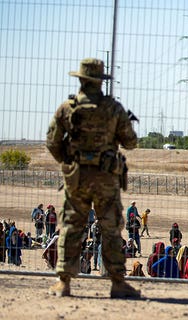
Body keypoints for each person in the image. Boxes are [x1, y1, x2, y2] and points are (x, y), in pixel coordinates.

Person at [46, 58, 140, 298]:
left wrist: (69, 162)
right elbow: (130, 142)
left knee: (71, 226)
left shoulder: (68, 108)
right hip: (106, 178)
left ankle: (64, 282)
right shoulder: (114, 108)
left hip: (77, 177)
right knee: (110, 228)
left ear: (80, 79)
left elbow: (52, 142)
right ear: (101, 81)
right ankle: (117, 282)